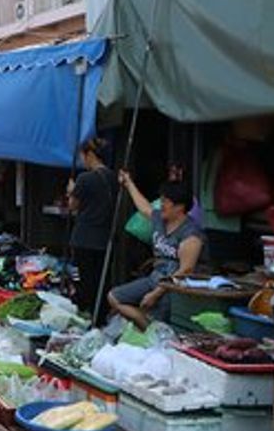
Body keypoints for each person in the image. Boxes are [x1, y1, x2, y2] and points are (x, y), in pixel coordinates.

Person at [107, 175, 205, 331]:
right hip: (154, 278)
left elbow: (185, 271)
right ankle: (146, 325)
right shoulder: (160, 218)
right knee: (114, 297)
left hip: (172, 289)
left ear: (179, 207)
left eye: (165, 201)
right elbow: (144, 207)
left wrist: (156, 294)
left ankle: (156, 333)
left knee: (161, 322)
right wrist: (129, 183)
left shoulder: (191, 234)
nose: (161, 205)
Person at [68, 138, 118, 322]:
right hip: (104, 238)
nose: (83, 160)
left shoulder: (84, 179)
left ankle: (85, 314)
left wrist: (71, 191)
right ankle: (101, 317)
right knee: (100, 280)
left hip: (83, 238)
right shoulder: (113, 178)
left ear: (90, 155)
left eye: (83, 156)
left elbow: (73, 205)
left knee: (81, 279)